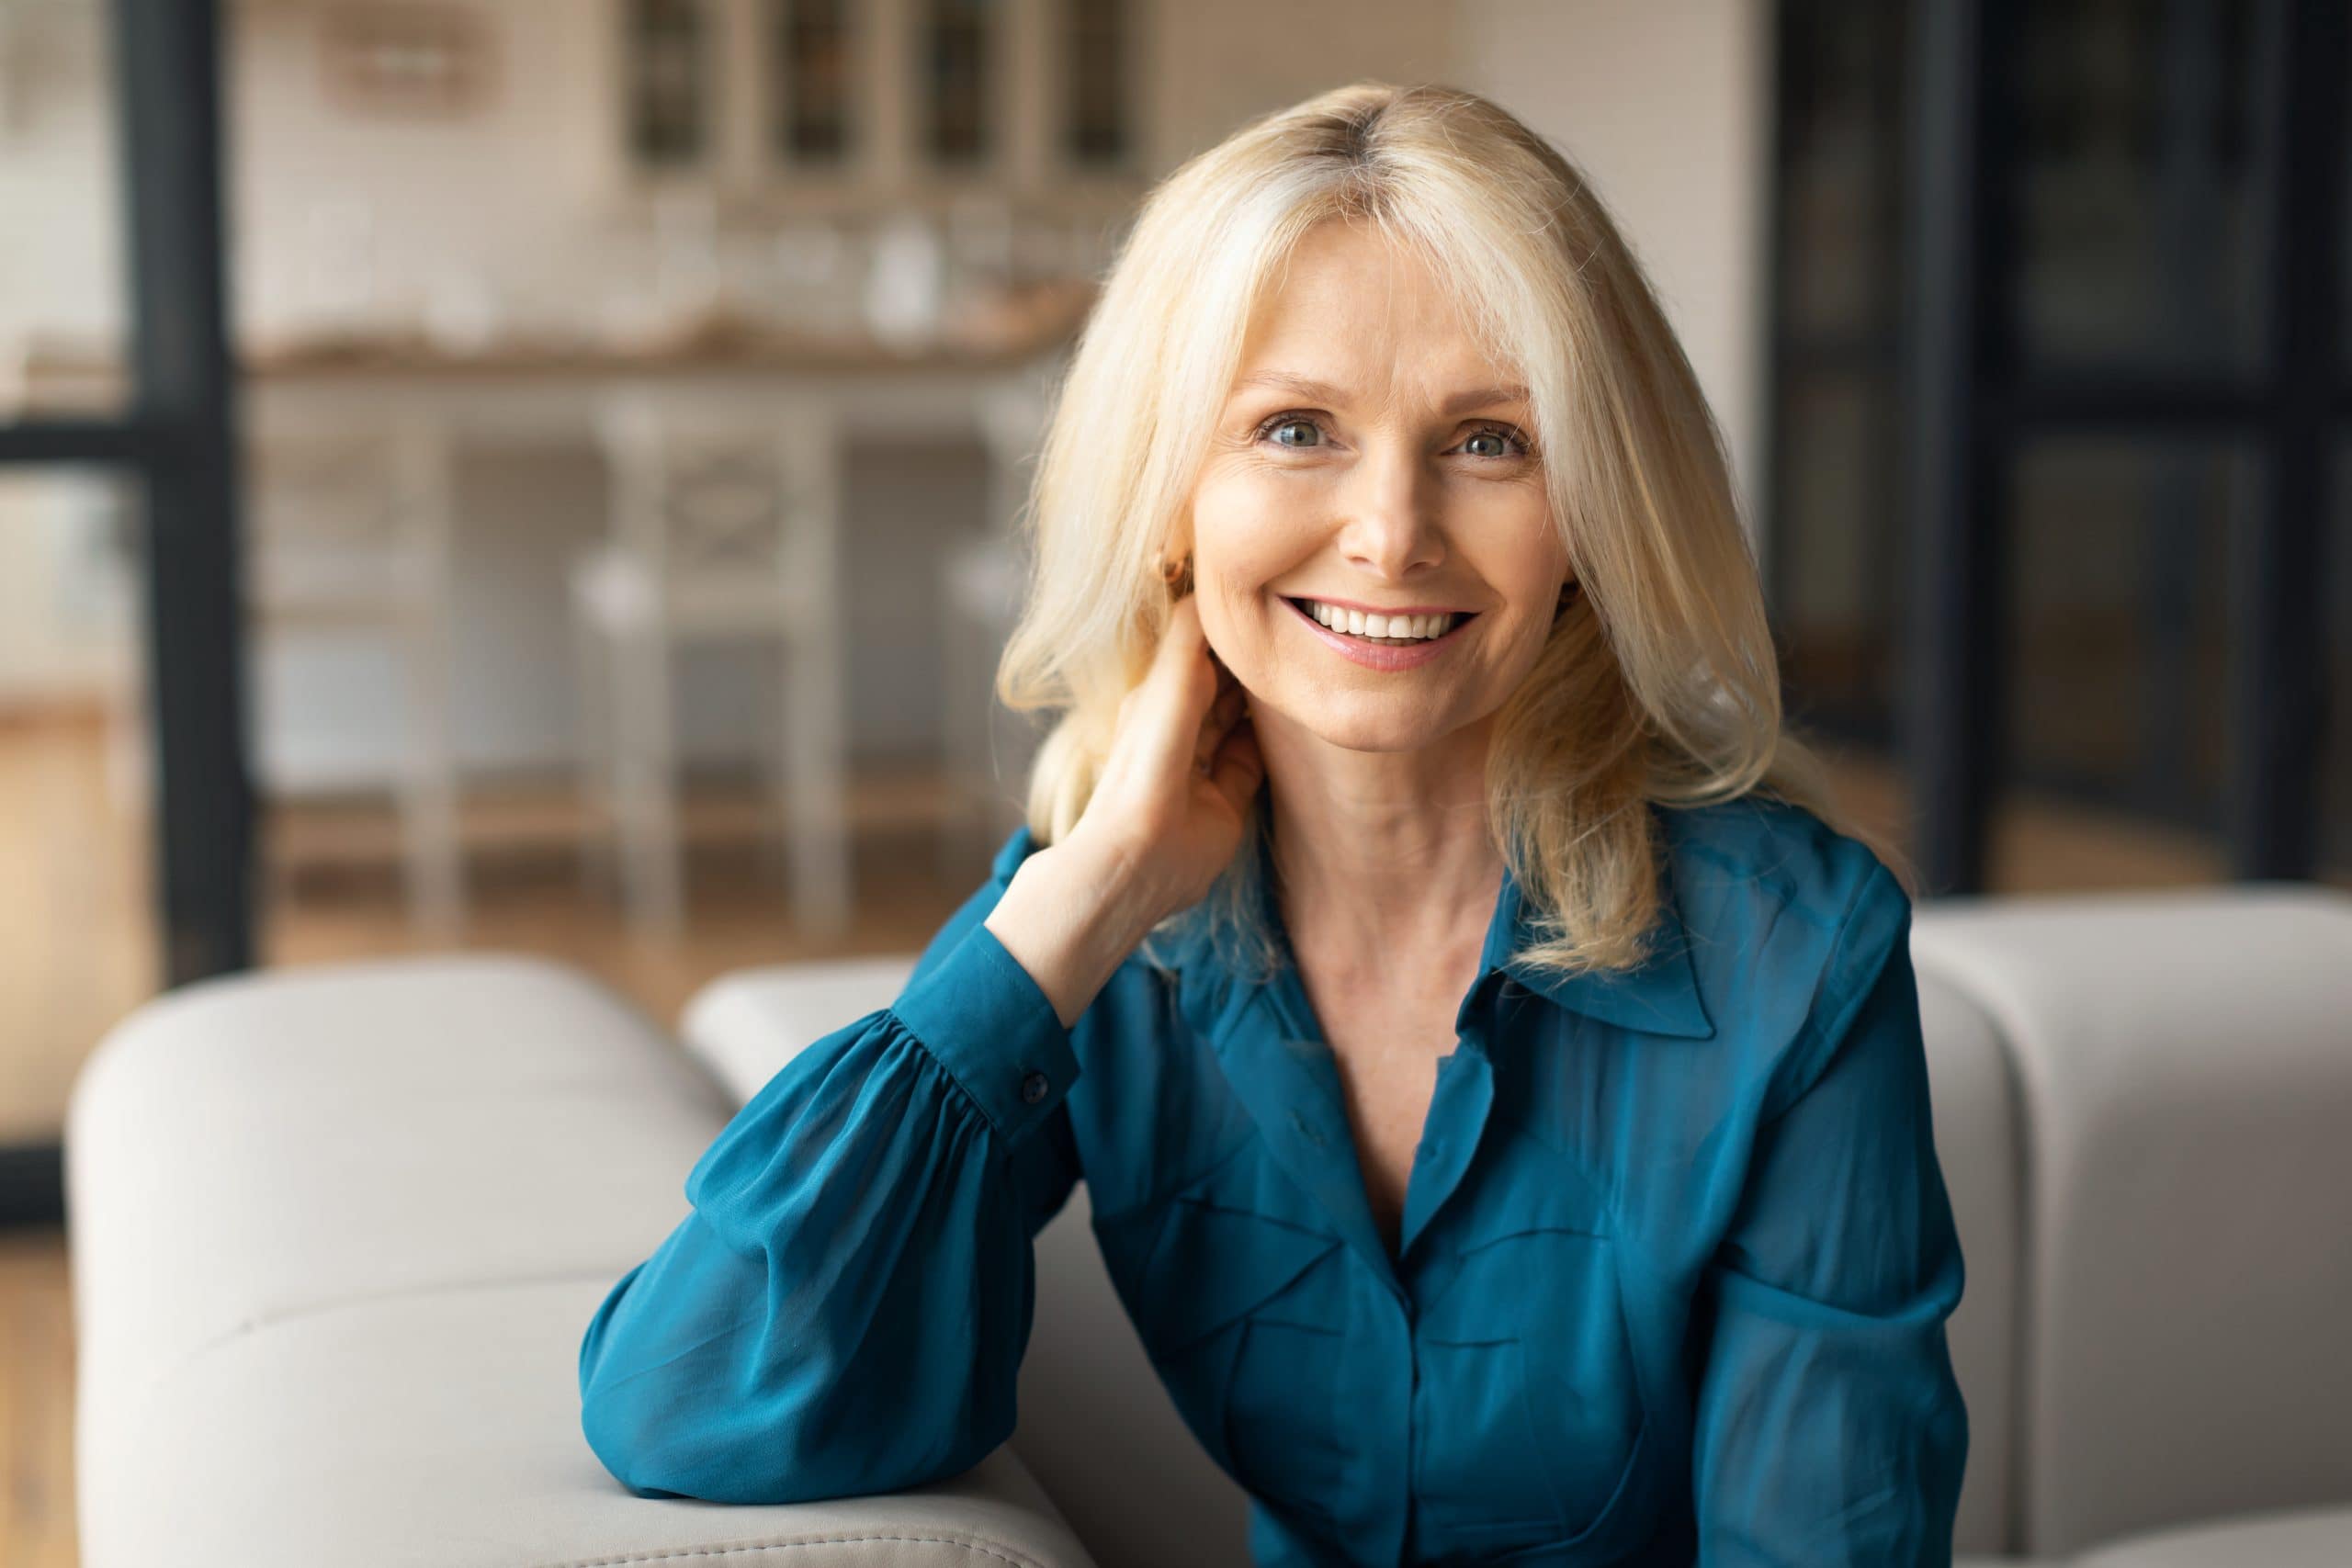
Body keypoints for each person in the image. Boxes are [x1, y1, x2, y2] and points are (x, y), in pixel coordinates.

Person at [578, 81, 1969, 1566]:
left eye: (1492, 441)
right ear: (1168, 494)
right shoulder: (1104, 935)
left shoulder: (1795, 957)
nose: (1390, 531)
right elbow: (688, 1402)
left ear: (1596, 509)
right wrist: (1086, 892)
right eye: (1296, 428)